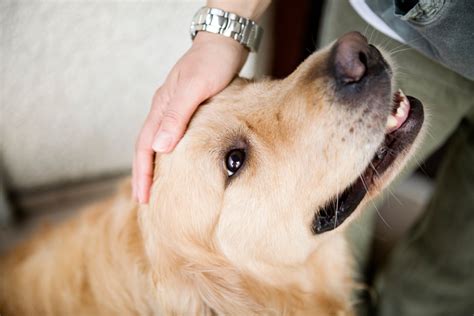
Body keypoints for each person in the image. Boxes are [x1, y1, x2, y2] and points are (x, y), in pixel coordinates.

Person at [133, 1, 474, 315]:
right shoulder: (211, 292)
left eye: (251, 84)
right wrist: (217, 36)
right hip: (404, 18)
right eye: (234, 161)